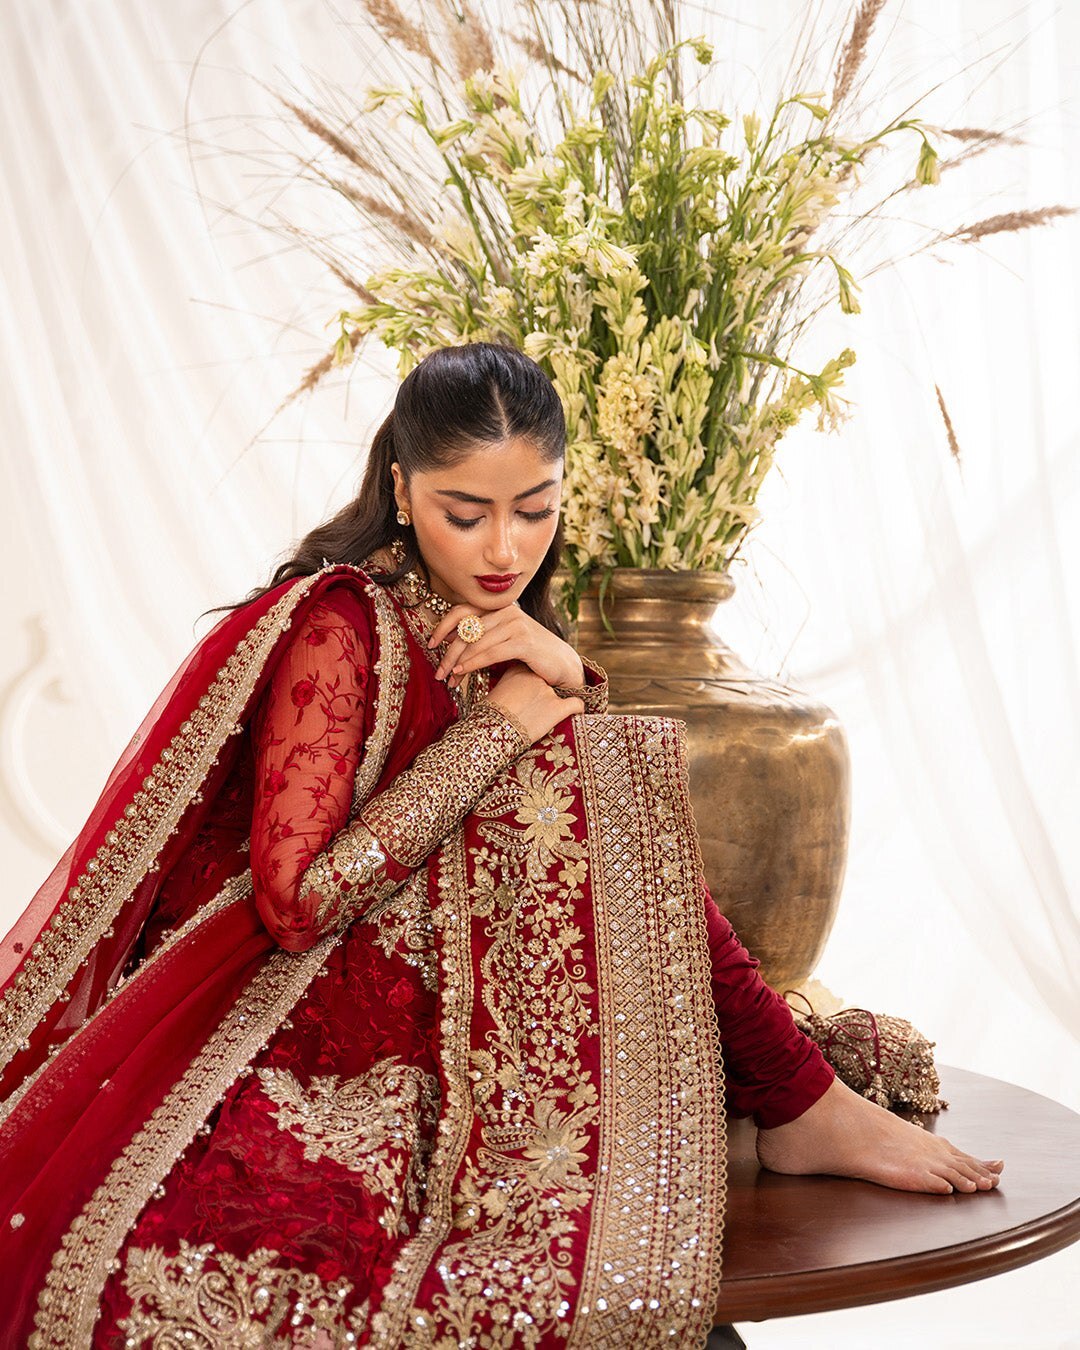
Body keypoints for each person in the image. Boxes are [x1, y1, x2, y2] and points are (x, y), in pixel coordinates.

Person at [0, 341, 1001, 1348]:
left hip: (460, 994)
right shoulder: (340, 624)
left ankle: (795, 1093)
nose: (504, 549)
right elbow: (297, 901)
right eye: (465, 513)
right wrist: (506, 729)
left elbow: (553, 824)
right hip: (299, 1013)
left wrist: (564, 678)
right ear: (401, 489)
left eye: (535, 510)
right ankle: (794, 1093)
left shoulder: (486, 619)